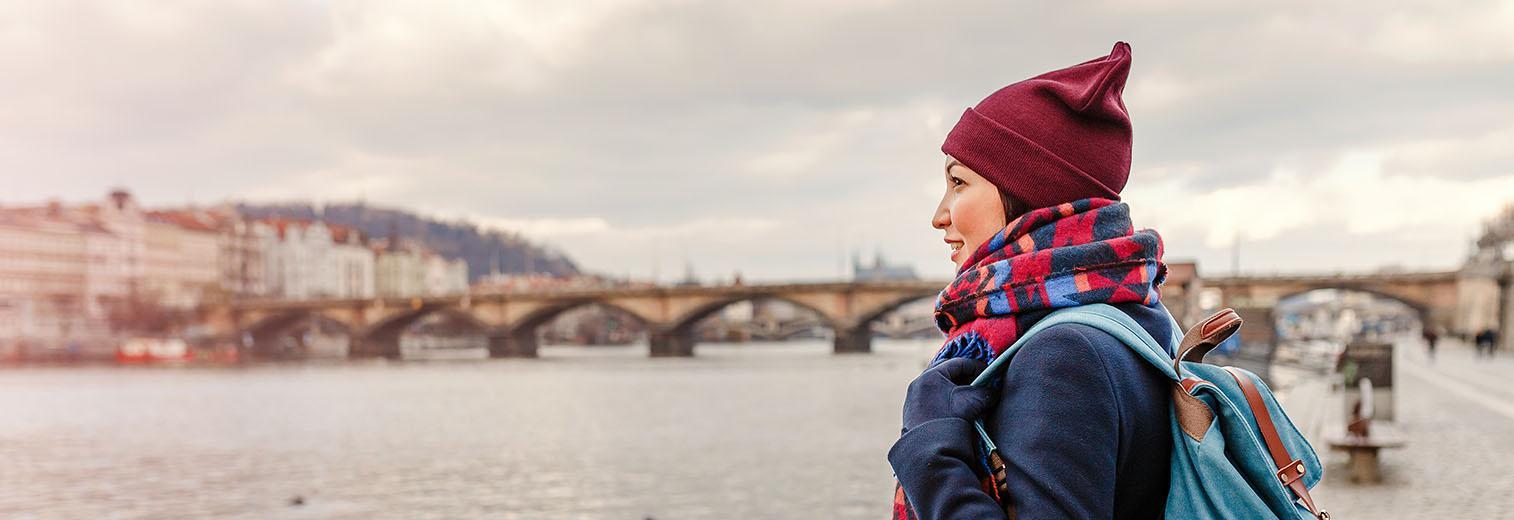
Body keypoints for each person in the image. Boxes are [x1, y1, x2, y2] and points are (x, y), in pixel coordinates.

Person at [888, 42, 1176, 519]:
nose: (939, 216)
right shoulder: (1133, 315)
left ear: (1027, 192)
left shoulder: (1062, 354)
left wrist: (929, 449)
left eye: (959, 183)